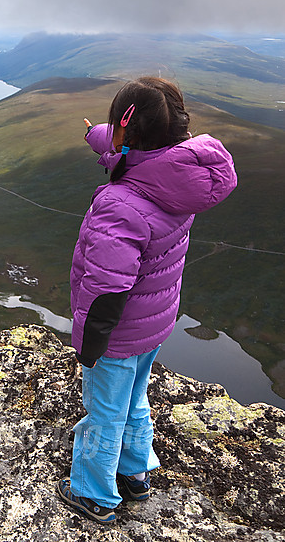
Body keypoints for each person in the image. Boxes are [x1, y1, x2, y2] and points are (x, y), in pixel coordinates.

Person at [57, 77, 237, 523]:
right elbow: (122, 148)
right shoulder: (178, 175)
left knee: (103, 411)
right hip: (153, 323)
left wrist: (90, 344)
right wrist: (94, 134)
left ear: (128, 133)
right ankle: (136, 473)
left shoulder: (121, 203)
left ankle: (94, 493)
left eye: (114, 128)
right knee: (136, 398)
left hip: (115, 333)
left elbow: (107, 285)